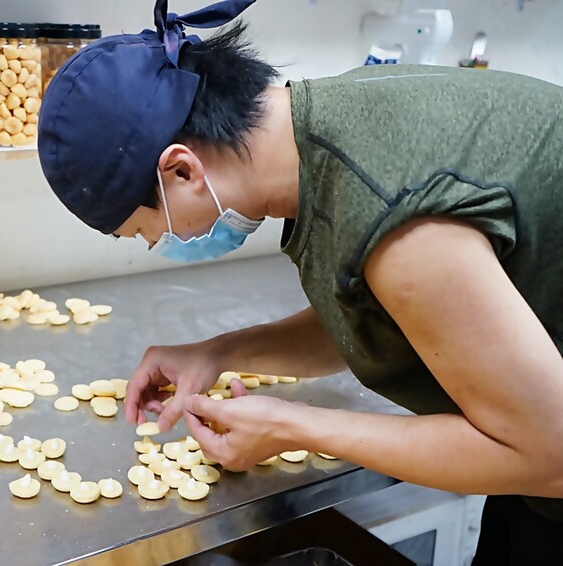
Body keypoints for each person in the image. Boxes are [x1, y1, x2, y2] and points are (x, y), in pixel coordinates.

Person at [37, 0, 563, 561]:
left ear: (182, 170)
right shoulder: (324, 132)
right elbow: (380, 316)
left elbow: (549, 456)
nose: (155, 245)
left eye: (145, 230)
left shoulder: (392, 214)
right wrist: (221, 352)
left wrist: (293, 425)